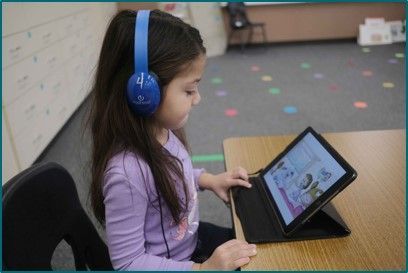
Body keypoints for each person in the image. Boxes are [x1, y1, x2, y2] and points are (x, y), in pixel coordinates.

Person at [87, 9, 256, 270]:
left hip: (190, 241)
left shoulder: (161, 131)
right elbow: (127, 263)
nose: (197, 98)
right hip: (175, 264)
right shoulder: (126, 174)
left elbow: (176, 171)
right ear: (144, 93)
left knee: (259, 246)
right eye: (189, 89)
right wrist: (203, 269)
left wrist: (208, 180)